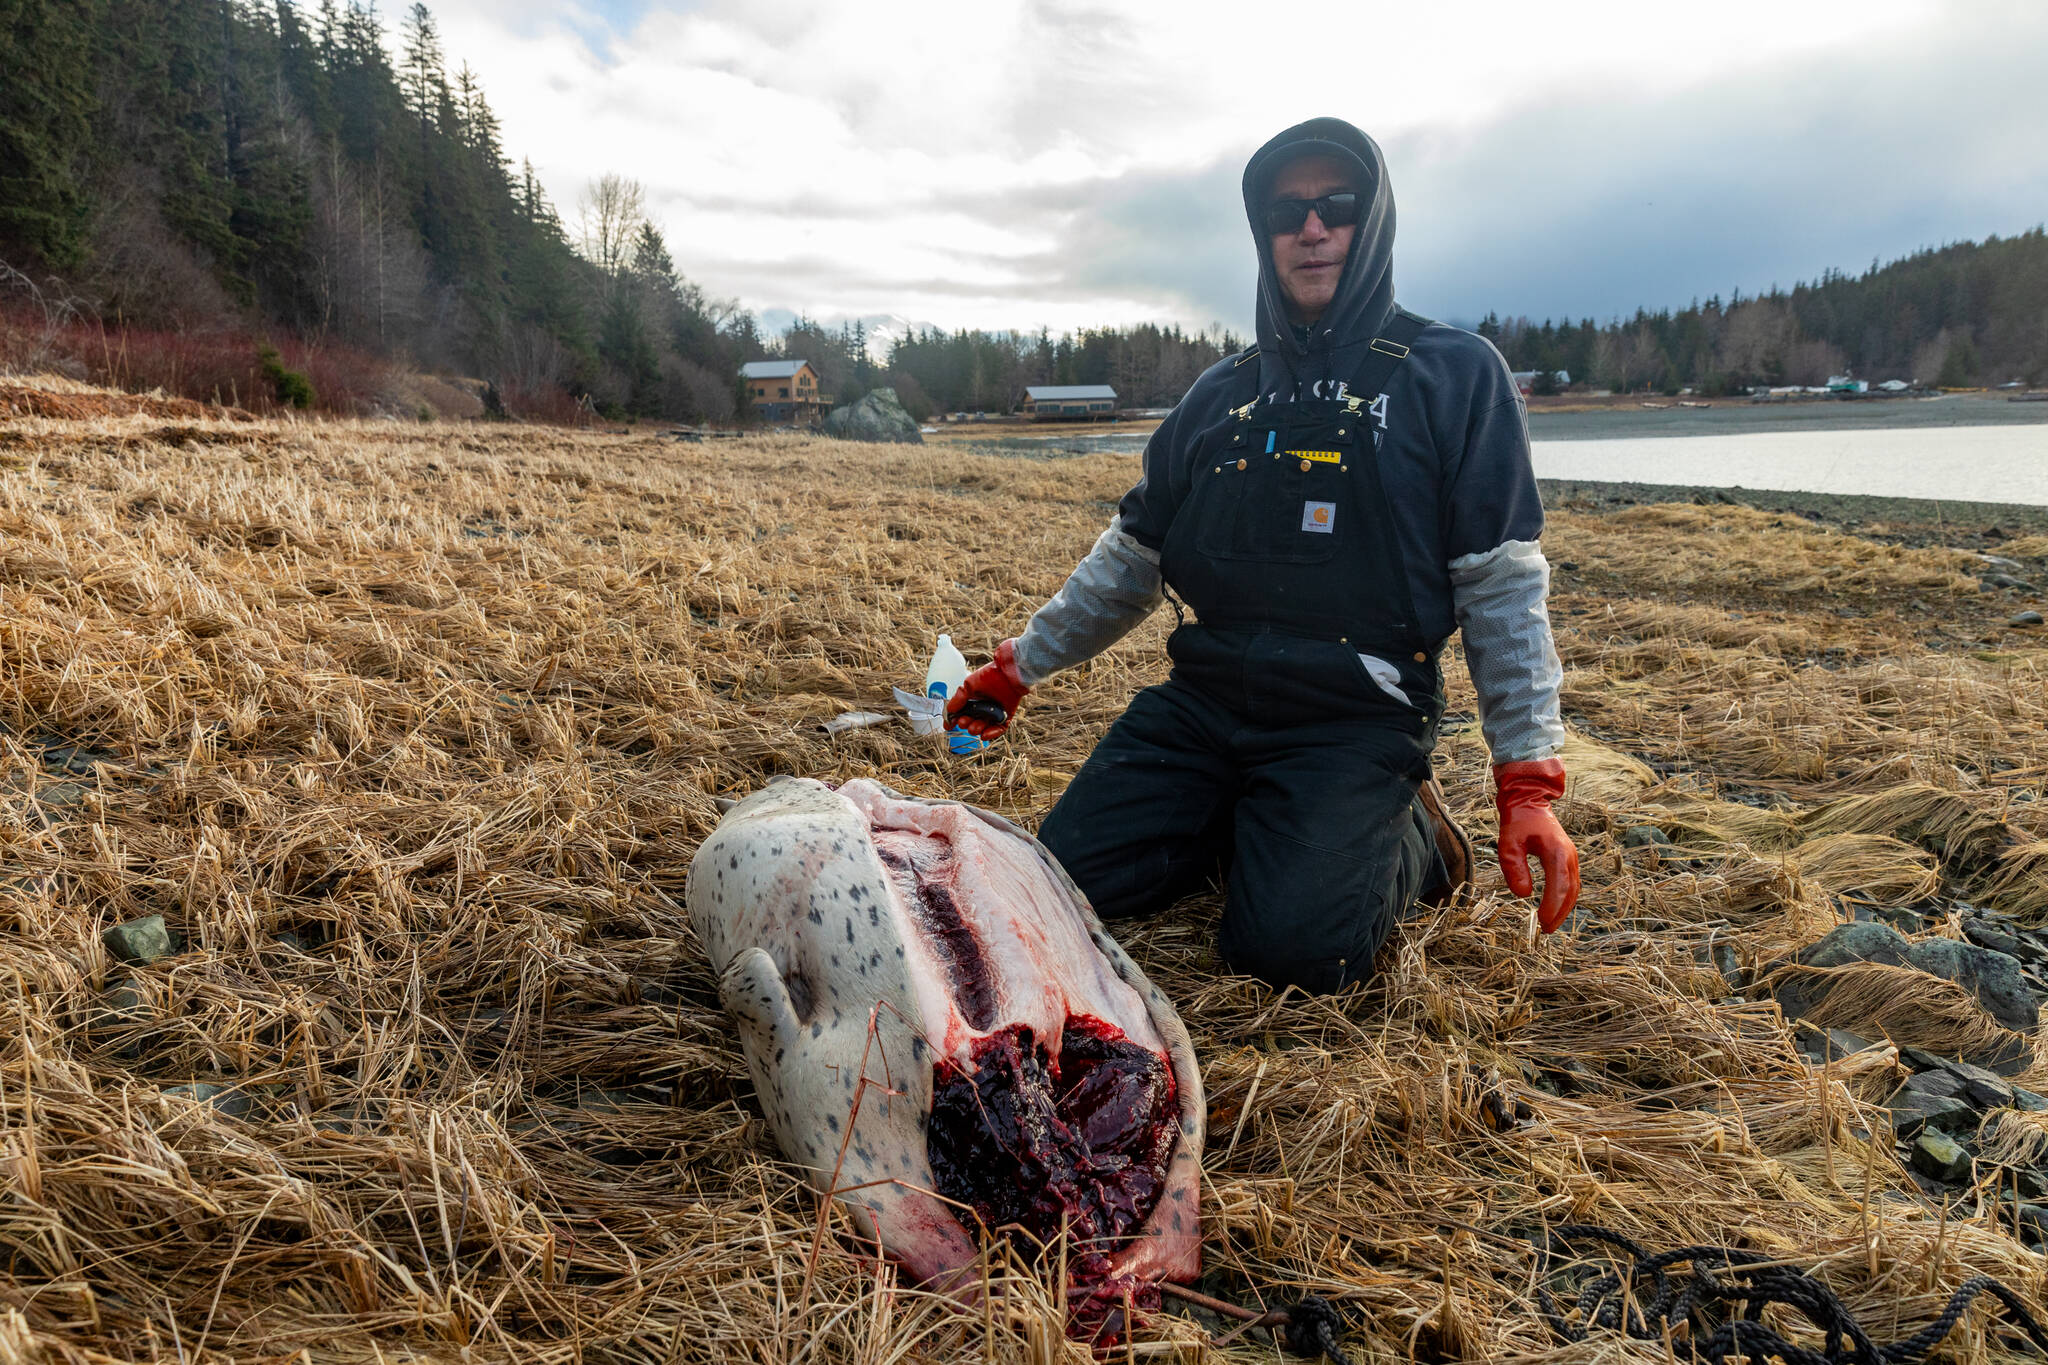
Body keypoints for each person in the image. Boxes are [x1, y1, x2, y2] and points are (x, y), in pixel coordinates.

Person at [946, 117, 1579, 994]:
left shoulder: (1454, 375)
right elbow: (1131, 559)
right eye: (1288, 212)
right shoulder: (1221, 395)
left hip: (1354, 720)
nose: (1311, 228)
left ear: (1374, 222)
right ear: (1263, 234)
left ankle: (1413, 840)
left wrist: (1528, 782)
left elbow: (1502, 589)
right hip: (1206, 708)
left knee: (1290, 955)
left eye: (1337, 206)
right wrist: (1018, 667)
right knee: (1058, 881)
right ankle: (1253, 820)